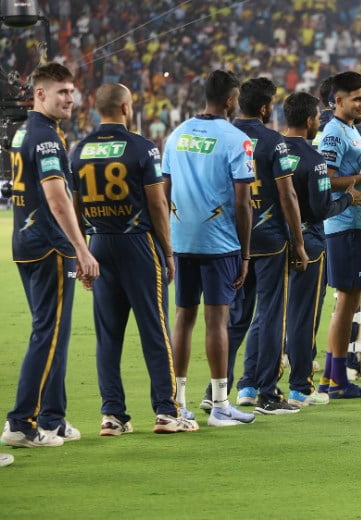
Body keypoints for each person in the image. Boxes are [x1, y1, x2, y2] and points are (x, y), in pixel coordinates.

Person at [69, 83, 197, 434]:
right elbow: (157, 202)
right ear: (126, 107)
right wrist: (168, 251)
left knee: (108, 335)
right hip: (138, 243)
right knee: (155, 329)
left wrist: (82, 251)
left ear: (98, 109)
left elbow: (75, 206)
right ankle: (166, 411)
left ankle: (112, 415)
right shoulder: (142, 147)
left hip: (98, 243)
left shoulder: (79, 150)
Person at [2, 62, 99, 448]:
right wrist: (82, 248)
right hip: (50, 247)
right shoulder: (46, 137)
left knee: (52, 331)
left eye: (72, 91)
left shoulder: (25, 130)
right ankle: (20, 423)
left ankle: (52, 419)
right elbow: (58, 199)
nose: (70, 98)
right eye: (62, 92)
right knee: (48, 332)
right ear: (40, 94)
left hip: (27, 243)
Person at [162, 70, 257, 426]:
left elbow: (164, 191)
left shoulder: (177, 134)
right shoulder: (237, 140)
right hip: (219, 242)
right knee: (217, 320)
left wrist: (168, 240)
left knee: (183, 318)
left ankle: (177, 402)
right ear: (231, 100)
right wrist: (245, 254)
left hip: (182, 239)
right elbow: (243, 202)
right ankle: (219, 404)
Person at [207, 77, 307, 415]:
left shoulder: (222, 137)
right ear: (265, 108)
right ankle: (267, 392)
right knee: (271, 315)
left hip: (231, 241)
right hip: (269, 240)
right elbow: (287, 195)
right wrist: (298, 243)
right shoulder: (274, 142)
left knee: (235, 318)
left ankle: (216, 390)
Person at [281, 92, 361, 406]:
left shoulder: (272, 151)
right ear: (309, 120)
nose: (320, 121)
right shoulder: (314, 159)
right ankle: (300, 387)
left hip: (274, 242)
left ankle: (252, 385)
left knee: (270, 315)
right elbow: (321, 209)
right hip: (309, 242)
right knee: (304, 316)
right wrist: (348, 199)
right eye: (318, 117)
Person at [316, 71, 361, 398]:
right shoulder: (333, 133)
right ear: (338, 100)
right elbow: (326, 180)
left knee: (350, 300)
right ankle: (338, 380)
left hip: (356, 224)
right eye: (356, 98)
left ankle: (331, 378)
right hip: (345, 226)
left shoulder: (351, 130)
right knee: (347, 302)